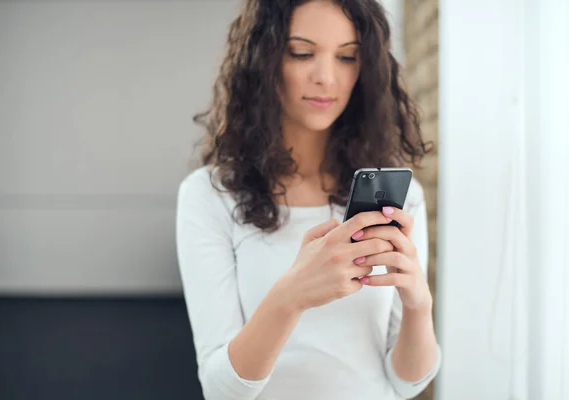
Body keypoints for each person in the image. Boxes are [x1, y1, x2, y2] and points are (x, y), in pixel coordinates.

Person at [176, 1, 441, 399]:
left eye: (347, 57)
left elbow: (407, 384)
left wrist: (419, 304)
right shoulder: (210, 195)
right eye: (302, 53)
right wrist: (292, 295)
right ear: (263, 60)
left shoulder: (400, 198)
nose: (326, 77)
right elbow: (221, 390)